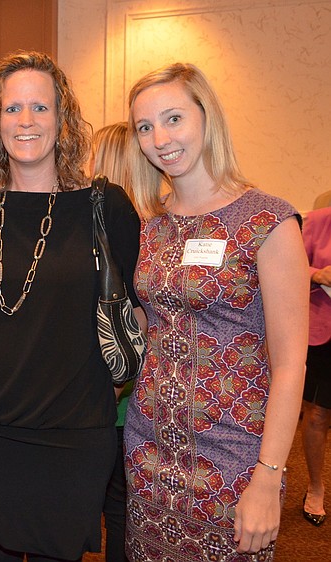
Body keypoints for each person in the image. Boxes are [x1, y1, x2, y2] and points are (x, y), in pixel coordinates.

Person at [0, 51, 142, 562]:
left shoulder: (106, 206)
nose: (25, 121)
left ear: (63, 118)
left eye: (40, 107)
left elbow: (140, 312)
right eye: (12, 109)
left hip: (71, 435)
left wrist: (117, 386)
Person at [123, 62, 308, 561]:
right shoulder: (151, 225)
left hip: (234, 457)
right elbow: (149, 324)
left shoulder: (267, 220)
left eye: (174, 119)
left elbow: (291, 364)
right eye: (145, 127)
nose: (160, 139)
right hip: (148, 448)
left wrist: (268, 477)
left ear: (207, 117)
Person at [90, 121, 134, 562]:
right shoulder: (158, 224)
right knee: (122, 505)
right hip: (134, 395)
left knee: (114, 502)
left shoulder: (106, 219)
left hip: (116, 396)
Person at [301, 204, 331, 526]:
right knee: (318, 414)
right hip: (324, 333)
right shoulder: (320, 220)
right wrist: (318, 274)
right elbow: (294, 264)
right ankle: (315, 487)